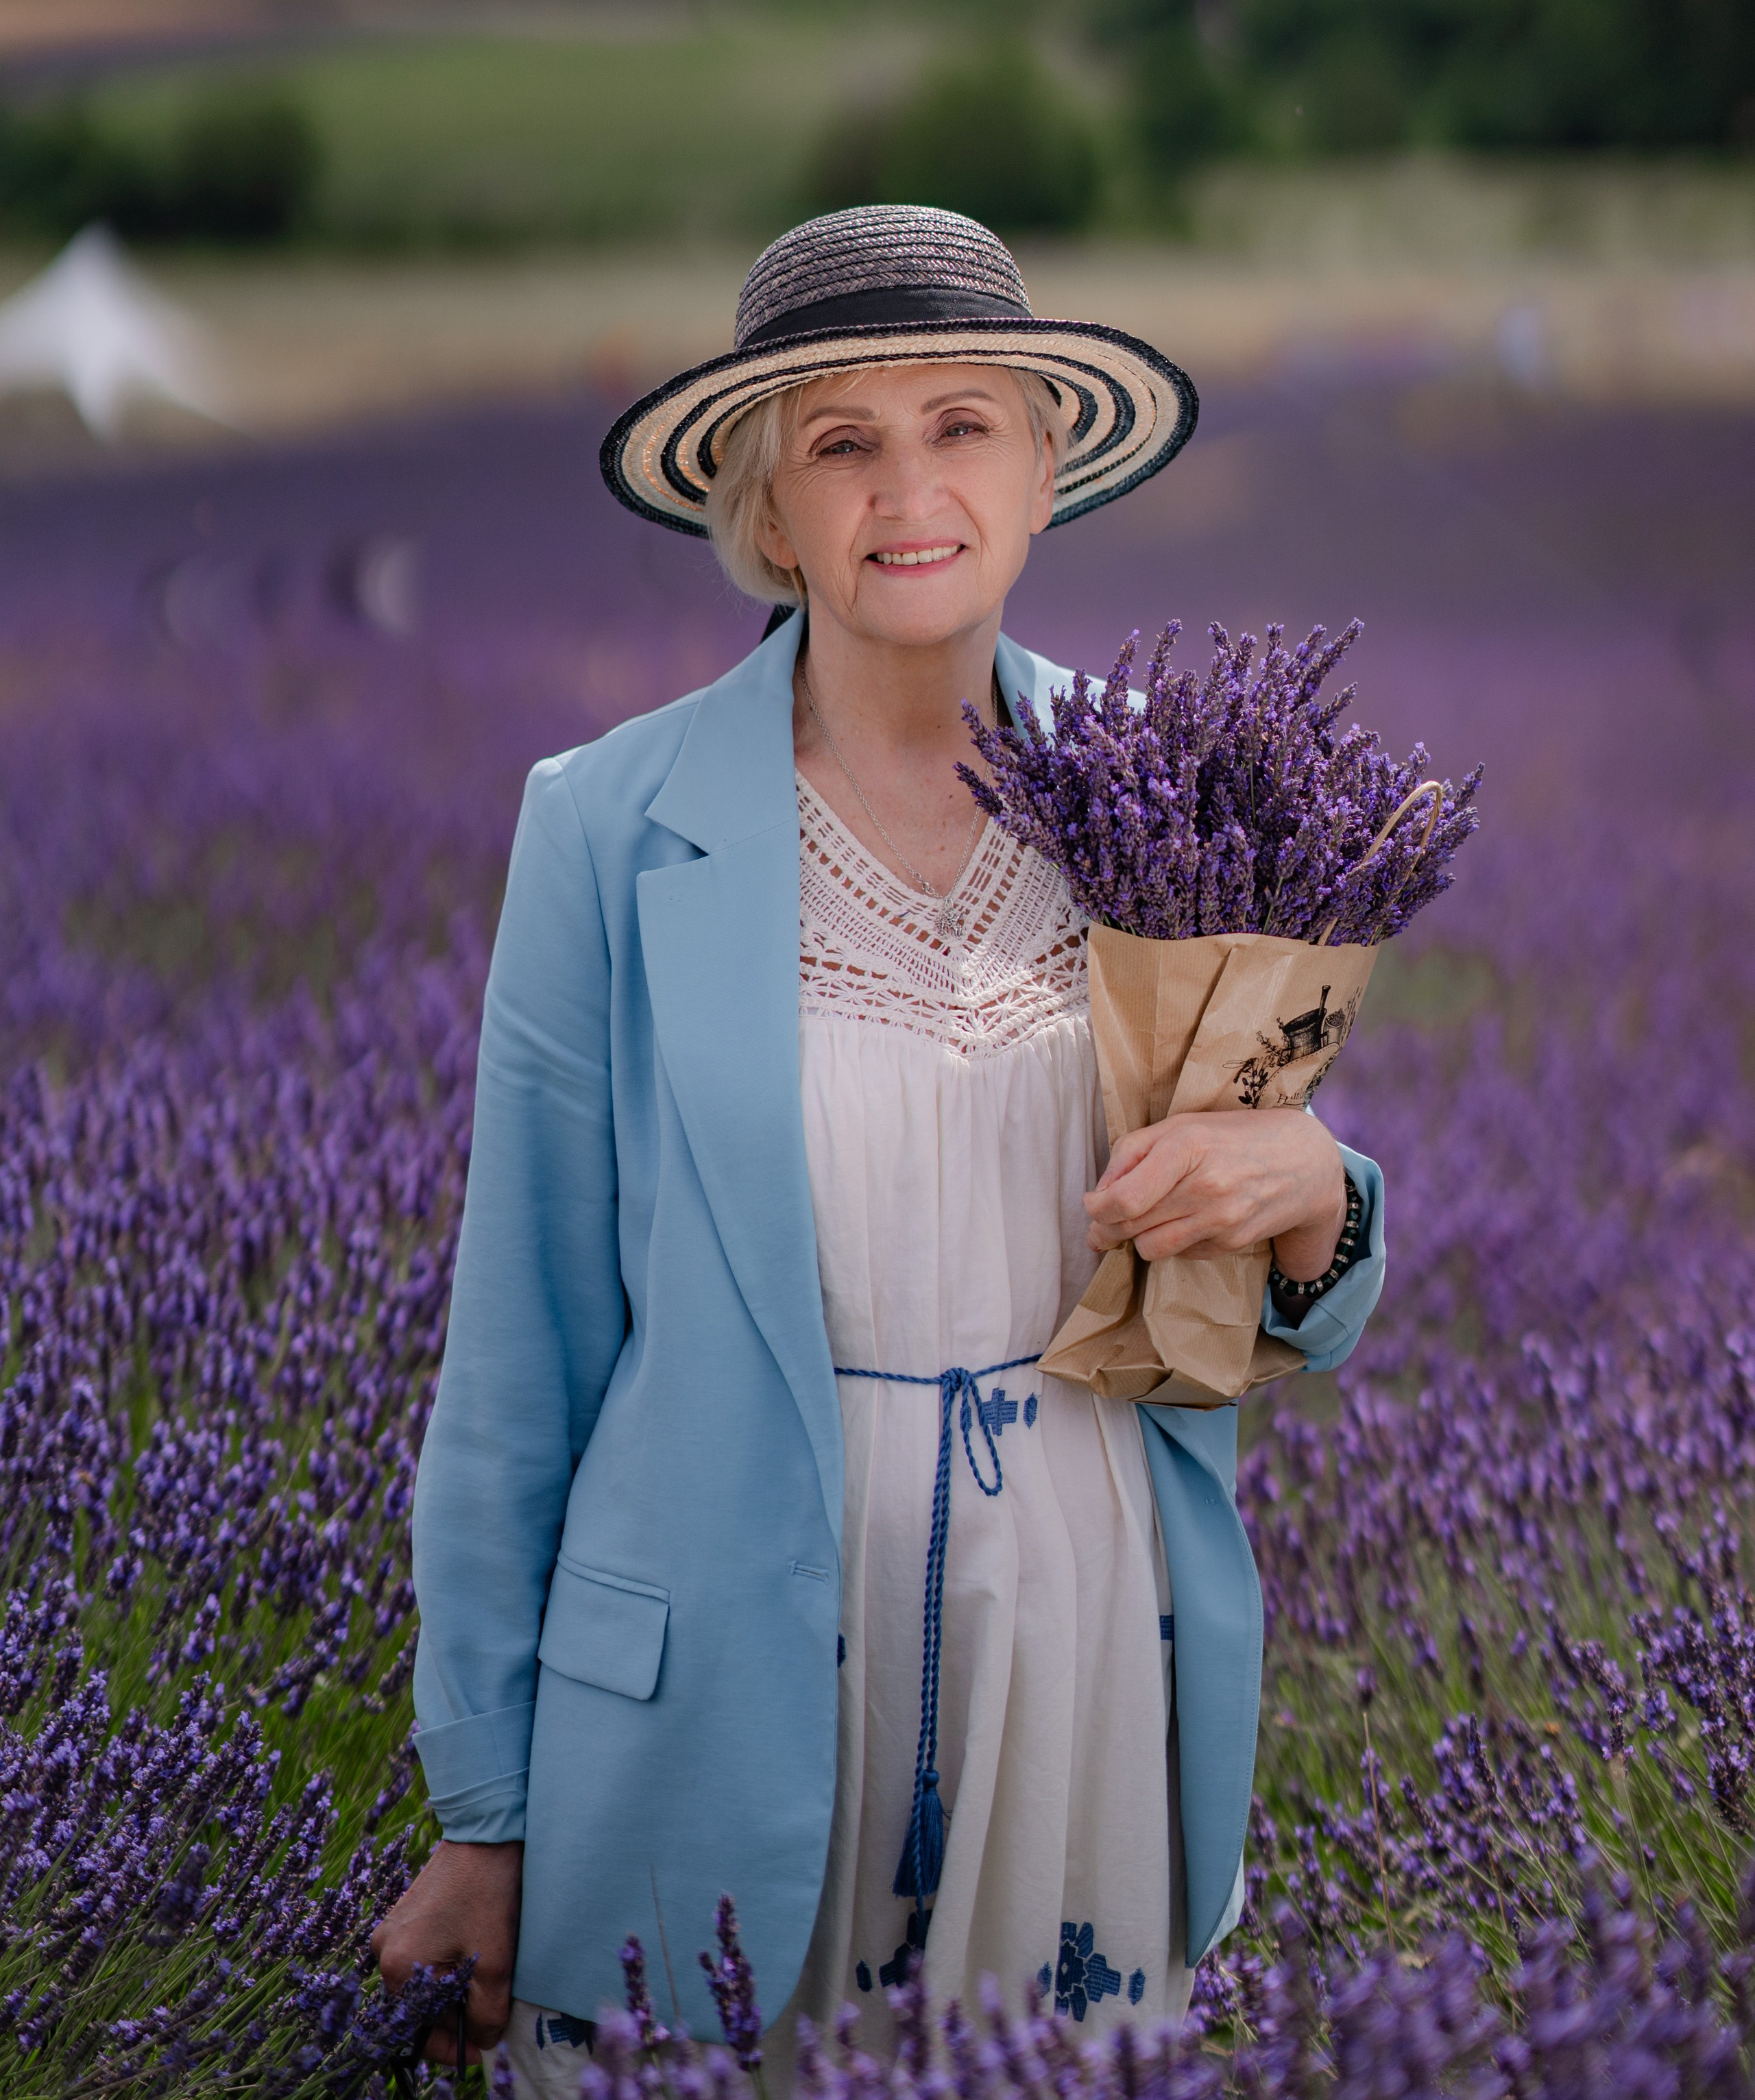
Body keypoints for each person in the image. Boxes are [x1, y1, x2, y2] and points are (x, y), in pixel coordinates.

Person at [374, 206, 1384, 2088]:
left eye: (962, 425)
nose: (908, 487)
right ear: (767, 511)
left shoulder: (1184, 784)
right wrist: (485, 1811)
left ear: (1043, 468)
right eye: (842, 441)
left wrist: (1317, 1196)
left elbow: (1293, 1251)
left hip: (1079, 1644)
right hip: (724, 1678)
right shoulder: (605, 827)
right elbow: (517, 1358)